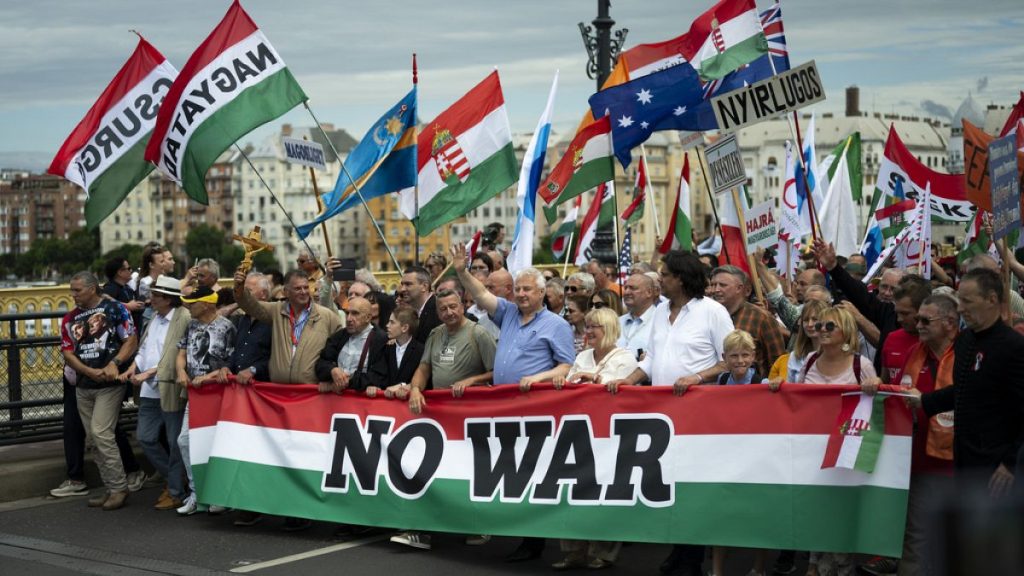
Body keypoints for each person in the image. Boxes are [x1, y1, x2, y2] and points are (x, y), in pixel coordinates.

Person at [609, 250, 732, 576]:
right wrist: (628, 380)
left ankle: (692, 558)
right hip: (664, 416)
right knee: (671, 483)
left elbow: (730, 359)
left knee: (693, 487)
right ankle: (679, 550)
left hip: (699, 414)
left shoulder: (713, 312)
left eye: (664, 275)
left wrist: (697, 377)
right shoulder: (661, 311)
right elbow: (650, 359)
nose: (659, 279)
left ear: (681, 277)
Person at [452, 243, 574, 563]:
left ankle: (534, 540)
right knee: (512, 471)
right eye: (517, 289)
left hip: (536, 410)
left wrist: (538, 378)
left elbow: (566, 366)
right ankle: (521, 532)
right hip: (505, 409)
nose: (520, 294)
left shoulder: (556, 325)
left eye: (527, 289)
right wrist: (462, 271)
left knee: (533, 473)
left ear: (541, 293)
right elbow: (481, 296)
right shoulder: (506, 313)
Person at [393, 288, 497, 551]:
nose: (449, 313)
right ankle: (421, 531)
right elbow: (424, 367)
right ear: (437, 312)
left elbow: (496, 372)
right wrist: (416, 388)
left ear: (463, 306)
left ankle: (477, 525)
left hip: (468, 418)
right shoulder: (435, 334)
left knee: (467, 473)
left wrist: (471, 381)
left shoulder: (478, 333)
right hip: (437, 417)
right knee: (428, 473)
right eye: (443, 309)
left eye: (453, 307)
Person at [911, 268, 1024, 499]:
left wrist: (1011, 463)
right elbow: (967, 389)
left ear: (992, 299)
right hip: (964, 459)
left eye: (967, 301)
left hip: (997, 466)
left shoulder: (1014, 347)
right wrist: (923, 400)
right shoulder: (964, 341)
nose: (960, 308)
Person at [866, 294, 957, 576]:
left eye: (925, 320)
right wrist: (878, 384)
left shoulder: (969, 355)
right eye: (917, 319)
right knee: (915, 538)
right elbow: (897, 395)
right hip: (917, 461)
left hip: (960, 464)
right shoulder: (913, 353)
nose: (918, 325)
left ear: (950, 324)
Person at [794, 306, 880, 576]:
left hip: (846, 449)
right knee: (816, 510)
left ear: (846, 331)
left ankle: (840, 568)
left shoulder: (861, 365)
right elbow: (794, 399)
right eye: (819, 326)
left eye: (829, 326)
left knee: (840, 515)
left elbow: (876, 408)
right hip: (811, 450)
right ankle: (814, 565)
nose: (821, 331)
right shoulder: (808, 360)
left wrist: (875, 383)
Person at [549, 307, 636, 570]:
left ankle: (603, 551)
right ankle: (574, 550)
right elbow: (571, 382)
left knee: (604, 492)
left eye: (593, 327)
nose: (588, 332)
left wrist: (593, 379)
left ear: (608, 329)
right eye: (587, 327)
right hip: (578, 431)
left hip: (609, 435)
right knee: (572, 490)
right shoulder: (583, 355)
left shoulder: (625, 357)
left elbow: (617, 389)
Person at [59, 272, 139, 511]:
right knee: (94, 440)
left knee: (101, 433)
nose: (73, 295)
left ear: (92, 289)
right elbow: (67, 352)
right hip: (84, 385)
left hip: (110, 385)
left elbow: (131, 339)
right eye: (72, 290)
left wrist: (114, 363)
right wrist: (87, 371)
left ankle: (119, 488)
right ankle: (110, 487)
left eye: (77, 290)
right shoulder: (70, 318)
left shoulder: (114, 309)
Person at [122, 275, 191, 511]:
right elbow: (144, 348)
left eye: (155, 295)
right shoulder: (155, 318)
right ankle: (175, 480)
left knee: (174, 442)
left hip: (169, 386)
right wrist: (135, 367)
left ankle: (175, 491)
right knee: (146, 437)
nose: (150, 298)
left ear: (167, 298)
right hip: (150, 389)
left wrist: (147, 374)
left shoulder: (183, 317)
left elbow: (174, 356)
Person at [174, 286, 236, 516]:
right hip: (195, 393)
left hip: (218, 393)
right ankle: (196, 492)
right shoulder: (191, 325)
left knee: (215, 444)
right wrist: (181, 372)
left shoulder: (227, 327)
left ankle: (219, 494)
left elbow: (232, 361)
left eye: (193, 303)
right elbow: (180, 353)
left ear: (208, 303)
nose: (189, 307)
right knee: (185, 440)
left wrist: (208, 377)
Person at [233, 268, 342, 384]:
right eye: (297, 288)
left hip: (311, 393)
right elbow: (250, 305)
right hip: (280, 391)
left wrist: (331, 374)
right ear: (286, 291)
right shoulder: (276, 310)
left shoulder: (327, 316)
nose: (303, 292)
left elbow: (340, 348)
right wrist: (239, 288)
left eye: (306, 287)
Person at [709, 265, 786, 376]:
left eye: (722, 285)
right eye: (713, 285)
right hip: (714, 388)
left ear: (739, 288)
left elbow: (778, 362)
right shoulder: (706, 316)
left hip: (753, 390)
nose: (715, 290)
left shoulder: (761, 318)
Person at [315, 297, 388, 394]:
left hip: (363, 403)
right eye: (347, 313)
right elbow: (321, 363)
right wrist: (332, 370)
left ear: (368, 318)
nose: (349, 318)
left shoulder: (381, 340)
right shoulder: (339, 336)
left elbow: (379, 376)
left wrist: (344, 383)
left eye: (355, 313)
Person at [377, 307, 424, 399]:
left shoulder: (420, 351)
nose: (387, 325)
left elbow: (424, 378)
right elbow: (381, 374)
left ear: (404, 328)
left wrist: (403, 386)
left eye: (392, 322)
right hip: (386, 402)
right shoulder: (386, 347)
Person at [618, 272, 658, 361]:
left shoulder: (661, 320)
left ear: (649, 292)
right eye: (626, 288)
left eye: (633, 288)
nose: (627, 292)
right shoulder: (616, 322)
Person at [398, 266, 441, 343]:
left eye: (408, 284)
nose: (402, 289)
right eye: (402, 284)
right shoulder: (410, 313)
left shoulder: (439, 309)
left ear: (424, 286)